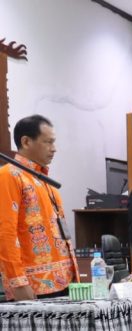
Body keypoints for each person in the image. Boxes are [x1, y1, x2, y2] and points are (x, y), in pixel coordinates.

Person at [0, 115, 77, 300]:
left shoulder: (45, 180)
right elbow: (5, 232)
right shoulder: (9, 175)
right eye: (48, 142)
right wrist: (18, 282)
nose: (54, 148)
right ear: (26, 142)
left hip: (65, 280)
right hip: (34, 286)